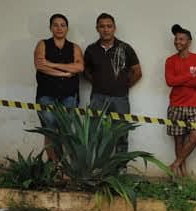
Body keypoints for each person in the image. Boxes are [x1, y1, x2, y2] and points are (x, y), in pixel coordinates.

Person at [83, 13, 142, 154]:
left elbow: (137, 72)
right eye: (102, 26)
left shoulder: (125, 48)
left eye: (109, 26)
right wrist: (99, 83)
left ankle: (120, 168)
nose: (106, 29)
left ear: (114, 28)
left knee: (121, 133)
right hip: (97, 97)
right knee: (94, 131)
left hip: (120, 98)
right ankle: (96, 166)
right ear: (97, 28)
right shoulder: (91, 49)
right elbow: (85, 71)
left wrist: (122, 86)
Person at [34, 14, 84, 163]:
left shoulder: (74, 47)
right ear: (50, 28)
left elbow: (80, 67)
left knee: (66, 131)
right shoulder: (42, 44)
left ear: (67, 28)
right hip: (46, 95)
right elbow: (40, 65)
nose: (59, 28)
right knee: (50, 131)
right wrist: (65, 72)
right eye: (55, 25)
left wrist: (53, 64)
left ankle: (64, 166)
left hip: (69, 95)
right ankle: (53, 164)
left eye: (63, 25)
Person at [165, 24, 196, 177]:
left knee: (195, 136)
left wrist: (181, 80)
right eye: (176, 39)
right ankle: (181, 173)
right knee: (179, 140)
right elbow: (170, 81)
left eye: (181, 39)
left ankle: (175, 164)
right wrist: (190, 76)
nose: (178, 42)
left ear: (189, 42)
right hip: (176, 105)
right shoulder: (170, 60)